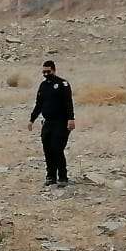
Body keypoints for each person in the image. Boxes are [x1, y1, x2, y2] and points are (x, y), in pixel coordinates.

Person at [29, 60, 76, 188]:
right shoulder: (43, 86)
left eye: (48, 72)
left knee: (57, 148)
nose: (46, 74)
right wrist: (32, 119)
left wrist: (71, 119)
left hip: (61, 122)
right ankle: (50, 176)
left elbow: (68, 103)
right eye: (43, 72)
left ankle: (62, 177)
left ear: (54, 70)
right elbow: (39, 104)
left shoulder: (63, 84)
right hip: (48, 122)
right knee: (47, 149)